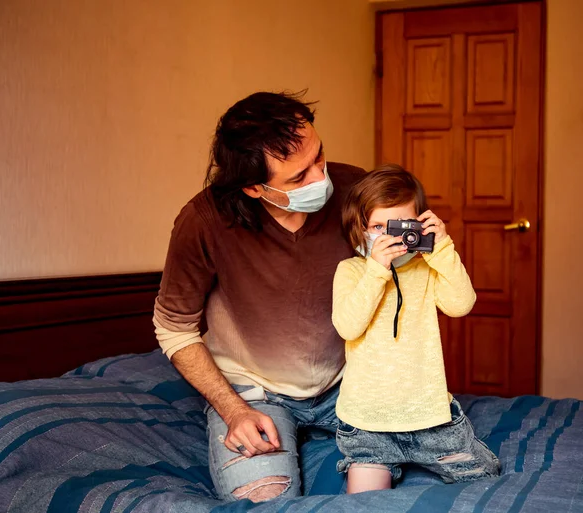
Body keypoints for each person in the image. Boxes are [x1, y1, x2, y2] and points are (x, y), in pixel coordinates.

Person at [153, 91, 364, 502]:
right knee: (266, 498)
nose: (321, 178)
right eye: (299, 177)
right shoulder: (204, 221)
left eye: (319, 158)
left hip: (350, 381)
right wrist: (233, 411)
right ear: (254, 188)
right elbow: (174, 328)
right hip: (253, 392)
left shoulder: (357, 188)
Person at [332, 165, 501, 493]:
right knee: (364, 502)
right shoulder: (352, 271)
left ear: (419, 224)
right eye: (378, 226)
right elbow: (347, 327)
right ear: (360, 227)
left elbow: (461, 304)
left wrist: (443, 248)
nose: (390, 237)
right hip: (368, 421)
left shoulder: (428, 267)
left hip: (430, 418)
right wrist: (376, 271)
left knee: (484, 481)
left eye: (399, 225)